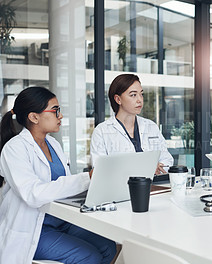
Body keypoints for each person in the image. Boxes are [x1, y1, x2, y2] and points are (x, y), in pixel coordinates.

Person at [0, 87, 116, 263]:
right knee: (89, 257)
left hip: (63, 221)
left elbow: (65, 185)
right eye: (55, 111)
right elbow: (33, 194)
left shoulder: (53, 144)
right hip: (35, 229)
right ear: (34, 117)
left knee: (108, 246)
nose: (60, 116)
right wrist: (86, 178)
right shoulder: (14, 149)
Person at [90, 74, 173, 174]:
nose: (139, 100)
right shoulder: (102, 131)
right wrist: (145, 168)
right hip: (121, 189)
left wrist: (158, 166)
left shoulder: (151, 126)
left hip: (155, 187)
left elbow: (167, 160)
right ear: (118, 99)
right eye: (133, 95)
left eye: (141, 94)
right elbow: (100, 170)